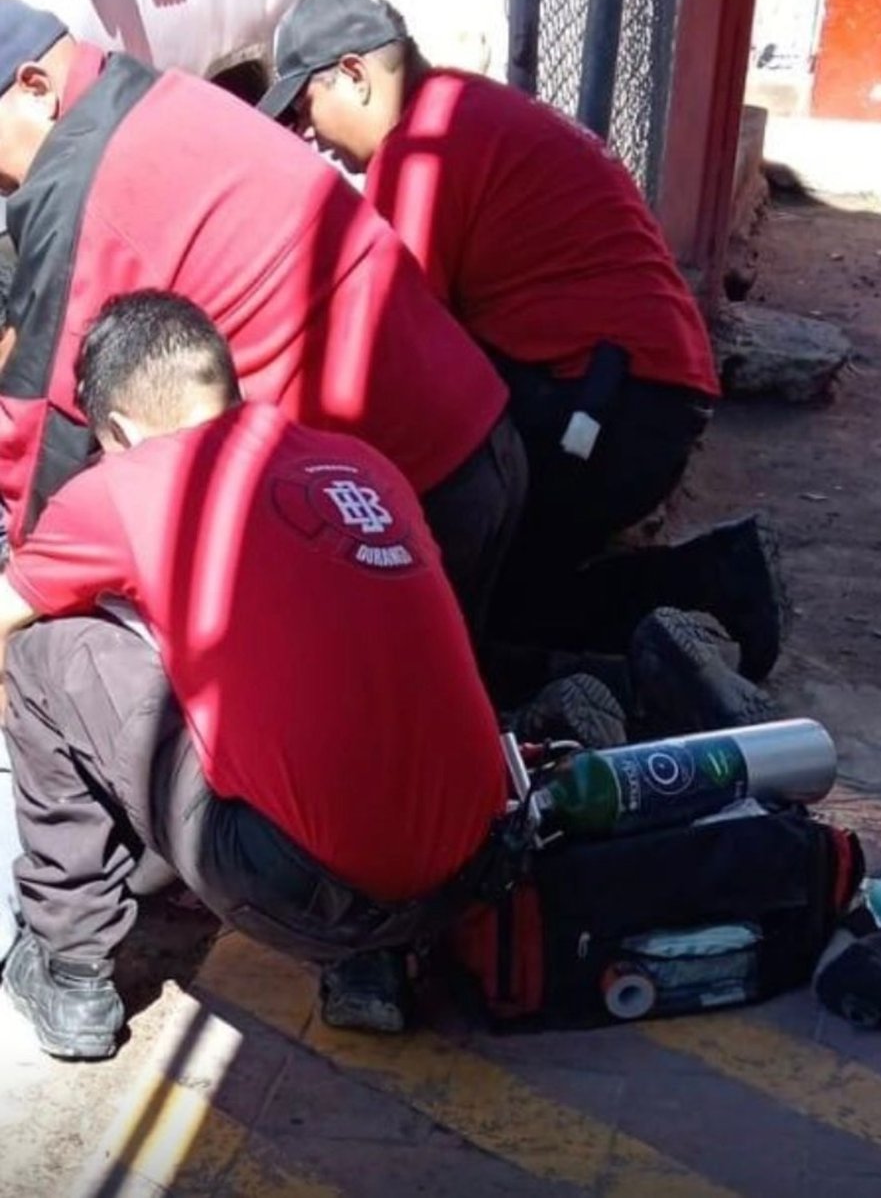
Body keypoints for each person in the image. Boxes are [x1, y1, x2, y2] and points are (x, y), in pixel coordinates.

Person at [0, 292, 510, 1059]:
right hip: (467, 870)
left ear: (121, 430)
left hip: (299, 886)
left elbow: (7, 615)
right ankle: (369, 965)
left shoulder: (126, 485)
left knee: (45, 655)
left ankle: (69, 970)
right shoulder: (358, 465)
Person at [259, 0, 788, 690]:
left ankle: (719, 591)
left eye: (305, 107)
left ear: (354, 75)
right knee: (511, 579)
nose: (308, 134)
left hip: (613, 403)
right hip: (638, 387)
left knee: (483, 604)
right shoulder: (461, 107)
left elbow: (401, 352)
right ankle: (714, 586)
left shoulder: (420, 156)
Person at [0, 0, 526, 644]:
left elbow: (44, 429)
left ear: (35, 88)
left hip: (401, 499)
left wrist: (28, 579)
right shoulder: (155, 96)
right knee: (461, 679)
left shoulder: (75, 179)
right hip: (474, 434)